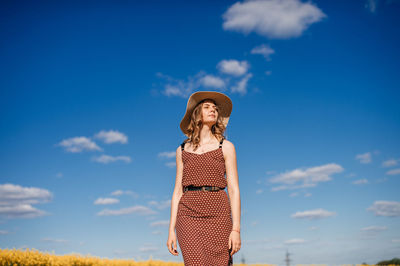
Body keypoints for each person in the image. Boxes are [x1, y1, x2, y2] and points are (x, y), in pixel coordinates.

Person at [166, 91, 241, 265]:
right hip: (188, 215)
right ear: (196, 114)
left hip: (219, 214)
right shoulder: (182, 150)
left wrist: (236, 228)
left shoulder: (226, 147)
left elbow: (234, 189)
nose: (213, 110)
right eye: (207, 107)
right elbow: (177, 191)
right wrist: (171, 230)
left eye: (215, 108)